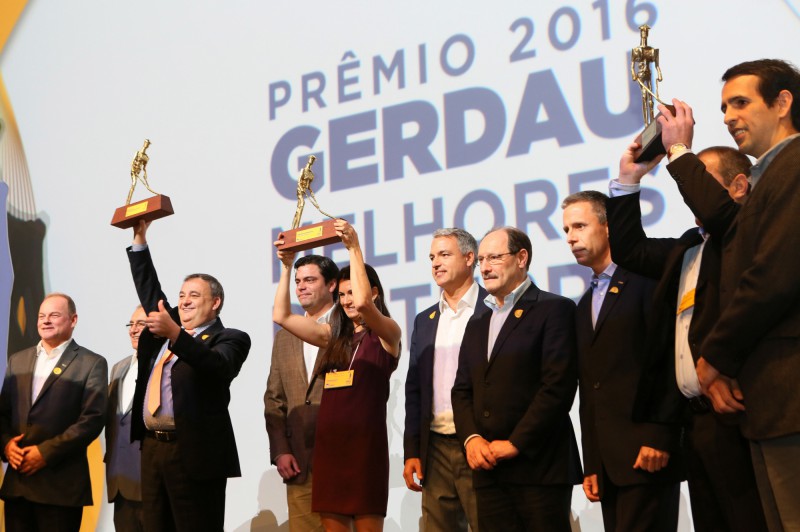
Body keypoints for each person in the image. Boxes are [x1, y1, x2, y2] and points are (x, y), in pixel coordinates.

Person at [657, 58, 800, 530]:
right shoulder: (768, 177)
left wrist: (714, 357)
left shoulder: (794, 166)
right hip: (768, 401)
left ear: (783, 103)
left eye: (740, 103)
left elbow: (771, 278)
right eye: (723, 108)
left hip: (789, 395)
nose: (728, 117)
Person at [607, 142, 767, 531]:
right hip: (694, 422)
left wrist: (679, 150)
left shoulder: (744, 236)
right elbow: (629, 250)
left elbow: (719, 216)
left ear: (739, 186)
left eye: (700, 178)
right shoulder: (689, 246)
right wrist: (628, 180)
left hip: (738, 412)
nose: (689, 187)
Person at [562, 191, 682, 531]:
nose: (570, 237)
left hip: (648, 453)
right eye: (567, 229)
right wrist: (593, 462)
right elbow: (590, 387)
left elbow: (668, 360)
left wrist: (660, 435)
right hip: (609, 465)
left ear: (609, 226)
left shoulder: (647, 282)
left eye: (580, 226)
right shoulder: (584, 304)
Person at [273, 219, 401, 532]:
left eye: (351, 292)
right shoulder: (332, 337)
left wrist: (353, 248)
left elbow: (365, 305)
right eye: (342, 295)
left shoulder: (387, 334)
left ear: (373, 292)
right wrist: (286, 267)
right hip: (329, 450)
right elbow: (281, 315)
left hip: (365, 450)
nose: (347, 301)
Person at [451, 227, 582, 532]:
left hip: (539, 467)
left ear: (522, 258)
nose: (485, 268)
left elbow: (557, 387)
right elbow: (462, 390)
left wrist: (515, 443)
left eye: (494, 258)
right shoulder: (478, 321)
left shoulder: (554, 309)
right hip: (488, 470)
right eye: (481, 260)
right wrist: (471, 439)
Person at [126, 220, 251, 531]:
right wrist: (140, 239)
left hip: (195, 453)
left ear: (215, 303)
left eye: (194, 295)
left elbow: (216, 366)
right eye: (182, 295)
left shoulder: (231, 338)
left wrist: (176, 335)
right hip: (153, 449)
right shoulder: (166, 333)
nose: (184, 301)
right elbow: (150, 292)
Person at [403, 228, 488, 531]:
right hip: (435, 447)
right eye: (431, 257)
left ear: (469, 258)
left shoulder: (494, 307)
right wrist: (412, 450)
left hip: (480, 442)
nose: (436, 263)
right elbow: (414, 390)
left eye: (444, 255)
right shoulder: (424, 320)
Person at [0, 293, 107, 531]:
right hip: (18, 485)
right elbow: (3, 413)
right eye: (42, 316)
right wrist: (6, 445)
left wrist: (45, 453)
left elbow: (92, 419)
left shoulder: (91, 363)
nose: (46, 321)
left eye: (54, 315)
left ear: (73, 320)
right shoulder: (18, 360)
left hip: (60, 487)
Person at [265, 254, 339, 532]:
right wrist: (280, 450)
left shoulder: (348, 326)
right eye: (297, 281)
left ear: (332, 284)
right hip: (299, 462)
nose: (301, 287)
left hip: (342, 459)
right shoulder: (285, 335)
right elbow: (274, 398)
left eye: (309, 280)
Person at [105, 306, 147, 532]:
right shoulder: (118, 368)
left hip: (152, 481)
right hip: (120, 480)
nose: (133, 329)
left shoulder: (166, 367)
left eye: (141, 324)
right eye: (131, 324)